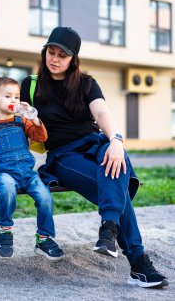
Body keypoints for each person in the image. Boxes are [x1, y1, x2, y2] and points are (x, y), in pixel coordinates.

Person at [20, 27, 168, 288]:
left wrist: (116, 141)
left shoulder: (87, 83)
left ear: (73, 58)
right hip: (63, 155)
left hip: (95, 143)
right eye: (50, 52)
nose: (54, 59)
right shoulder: (30, 85)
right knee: (116, 191)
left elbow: (101, 114)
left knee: (116, 158)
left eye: (62, 55)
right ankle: (138, 263)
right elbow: (25, 130)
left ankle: (109, 228)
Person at [0, 77, 64, 261]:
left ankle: (43, 239)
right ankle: (5, 230)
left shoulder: (23, 121)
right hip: (4, 174)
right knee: (7, 189)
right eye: (8, 96)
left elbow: (41, 137)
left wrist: (34, 117)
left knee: (45, 197)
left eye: (17, 96)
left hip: (27, 174)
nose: (14, 100)